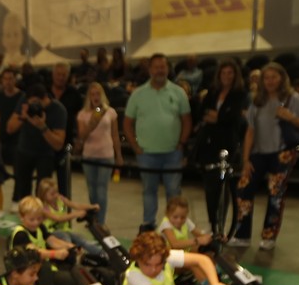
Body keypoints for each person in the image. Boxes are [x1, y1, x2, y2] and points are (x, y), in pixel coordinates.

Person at [232, 64, 299, 251]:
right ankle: (242, 234)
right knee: (243, 191)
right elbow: (250, 131)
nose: (270, 81)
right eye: (266, 77)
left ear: (282, 78)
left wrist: (291, 117)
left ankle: (269, 236)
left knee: (275, 195)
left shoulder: (292, 98)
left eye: (273, 77)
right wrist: (246, 159)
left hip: (282, 153)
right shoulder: (257, 100)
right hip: (258, 153)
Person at [124, 54, 192, 233]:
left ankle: (174, 226)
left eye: (163, 67)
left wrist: (182, 143)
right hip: (146, 153)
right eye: (156, 67)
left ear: (167, 69)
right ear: (150, 70)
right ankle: (148, 224)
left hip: (173, 153)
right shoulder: (138, 94)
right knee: (149, 191)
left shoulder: (178, 92)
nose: (160, 70)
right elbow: (127, 123)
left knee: (173, 191)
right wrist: (135, 147)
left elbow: (186, 120)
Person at [191, 58, 249, 236]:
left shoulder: (240, 94)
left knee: (224, 187)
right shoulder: (213, 92)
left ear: (235, 75)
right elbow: (203, 113)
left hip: (227, 144)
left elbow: (232, 118)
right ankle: (212, 223)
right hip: (209, 144)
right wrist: (219, 116)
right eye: (223, 73)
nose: (226, 76)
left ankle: (222, 225)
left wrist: (218, 117)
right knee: (210, 188)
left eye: (230, 73)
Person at [7, 84, 66, 203]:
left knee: (43, 192)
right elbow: (9, 129)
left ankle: (41, 213)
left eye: (35, 103)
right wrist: (23, 117)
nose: (33, 106)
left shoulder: (58, 110)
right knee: (23, 192)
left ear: (44, 99)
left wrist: (42, 127)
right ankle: (26, 212)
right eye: (31, 103)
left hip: (45, 155)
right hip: (24, 151)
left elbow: (58, 144)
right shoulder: (25, 103)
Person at [77, 81, 122, 224]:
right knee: (92, 190)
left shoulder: (111, 112)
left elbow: (115, 135)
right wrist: (93, 122)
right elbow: (82, 136)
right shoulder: (83, 114)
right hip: (89, 155)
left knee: (102, 189)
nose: (95, 97)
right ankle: (94, 217)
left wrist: (119, 156)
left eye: (98, 94)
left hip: (106, 155)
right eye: (92, 94)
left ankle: (100, 222)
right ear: (89, 97)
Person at [36, 177, 101, 256]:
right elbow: (58, 218)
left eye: (56, 192)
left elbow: (76, 205)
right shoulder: (44, 208)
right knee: (65, 238)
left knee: (80, 239)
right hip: (52, 233)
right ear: (43, 195)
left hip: (65, 230)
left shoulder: (60, 199)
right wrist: (76, 214)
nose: (55, 195)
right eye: (52, 194)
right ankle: (70, 257)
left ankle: (101, 253)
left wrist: (91, 207)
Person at [48, 63, 83, 195]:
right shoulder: (45, 92)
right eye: (58, 74)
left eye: (63, 75)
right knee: (44, 184)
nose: (61, 77)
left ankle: (64, 207)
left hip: (66, 144)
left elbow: (79, 118)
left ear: (68, 76)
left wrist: (79, 139)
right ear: (53, 75)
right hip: (45, 144)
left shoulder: (74, 94)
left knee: (65, 185)